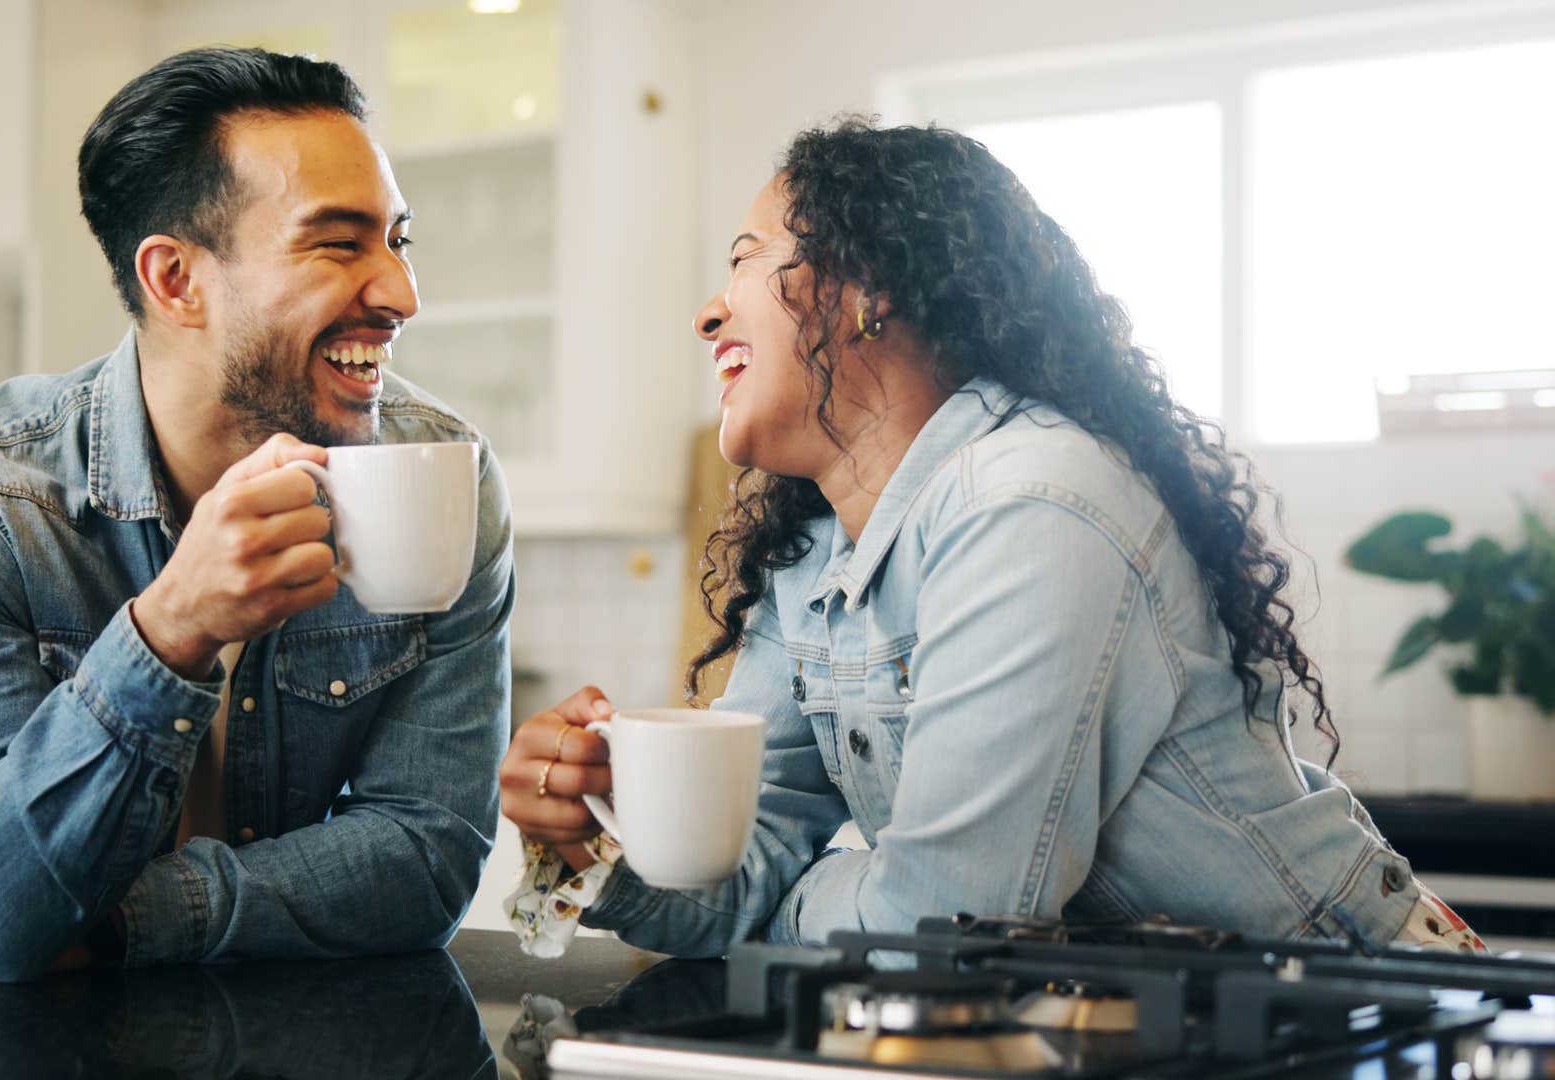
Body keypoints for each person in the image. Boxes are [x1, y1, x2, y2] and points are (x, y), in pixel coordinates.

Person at [499, 118, 1482, 959]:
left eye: (751, 257)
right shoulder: (814, 557)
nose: (710, 311)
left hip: (1357, 1005)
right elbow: (741, 869)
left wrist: (789, 907)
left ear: (868, 286)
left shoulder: (1034, 503)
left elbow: (940, 927)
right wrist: (601, 844)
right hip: (1132, 1024)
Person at [0, 47, 514, 990]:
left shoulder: (444, 477)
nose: (401, 295)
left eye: (397, 241)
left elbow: (426, 857)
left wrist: (123, 923)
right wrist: (171, 629)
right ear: (175, 280)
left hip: (278, 1034)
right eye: (339, 244)